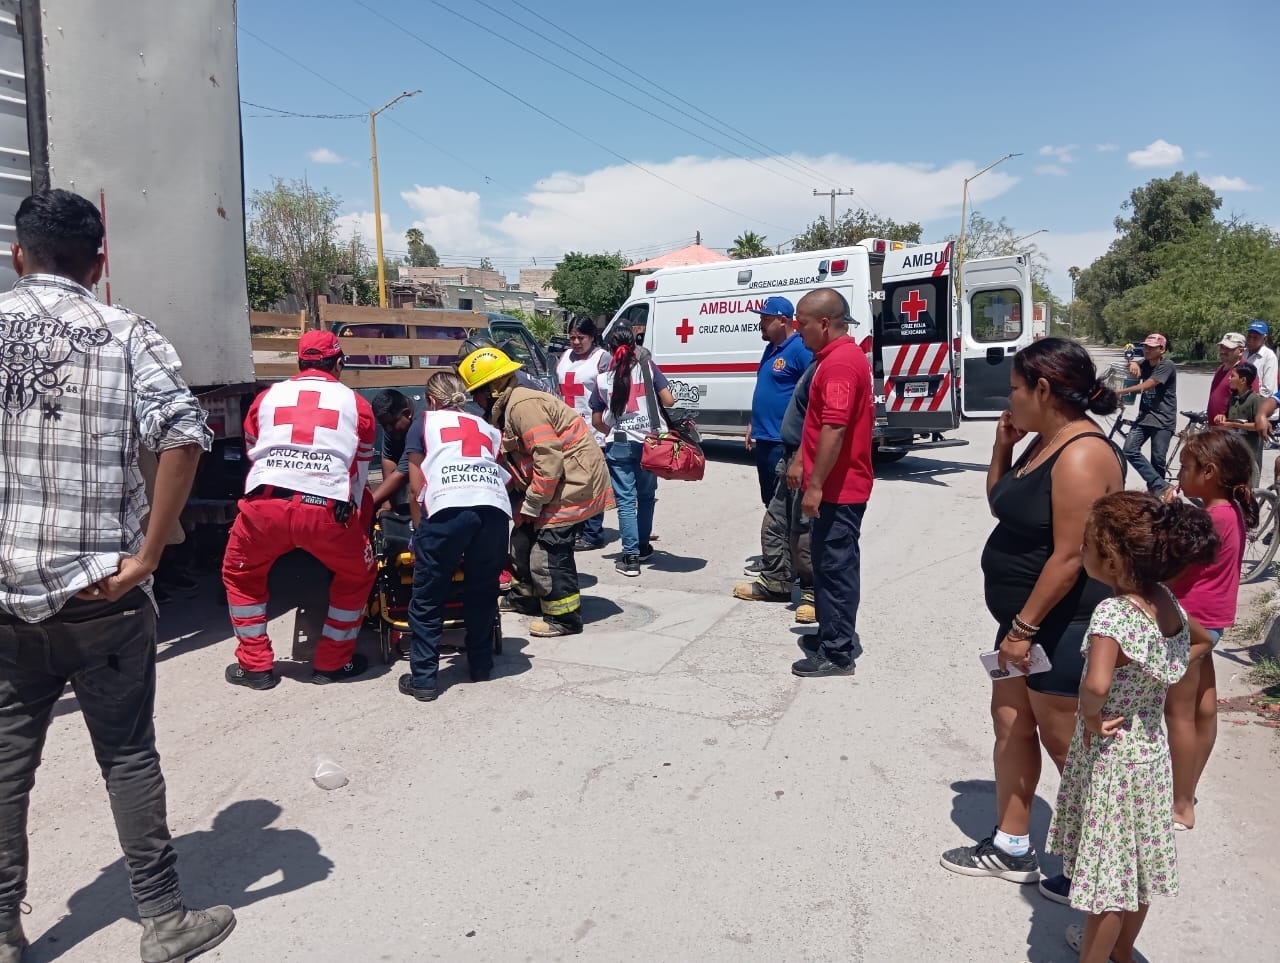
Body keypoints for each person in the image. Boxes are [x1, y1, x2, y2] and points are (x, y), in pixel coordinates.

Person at [0, 189, 235, 961]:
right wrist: (149, 555)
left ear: (17, 255)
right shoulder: (126, 332)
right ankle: (163, 920)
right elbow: (183, 437)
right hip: (103, 589)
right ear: (100, 264)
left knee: (5, 764)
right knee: (127, 754)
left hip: (6, 593)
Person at [940, 338, 1124, 899]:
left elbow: (1070, 557)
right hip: (1023, 624)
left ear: (1043, 390)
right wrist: (1002, 447)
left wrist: (1023, 630)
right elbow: (1002, 501)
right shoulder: (1044, 441)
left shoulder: (1083, 454)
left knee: (1069, 748)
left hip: (1061, 628)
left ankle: (1101, 868)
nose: (1009, 400)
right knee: (1010, 723)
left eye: (1016, 389)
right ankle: (1012, 845)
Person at [1048, 491, 1216, 963]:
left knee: (1108, 882)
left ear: (1113, 559)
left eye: (1088, 544)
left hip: (1112, 760)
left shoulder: (1113, 614)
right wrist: (1164, 669)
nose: (1082, 550)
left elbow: (1097, 684)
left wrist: (1091, 715)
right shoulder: (1165, 601)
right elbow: (1202, 641)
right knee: (1137, 869)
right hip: (1150, 754)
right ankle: (1122, 952)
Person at [221, 330, 377, 689]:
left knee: (241, 576)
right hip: (326, 511)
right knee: (357, 574)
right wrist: (354, 519)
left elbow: (253, 452)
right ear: (339, 363)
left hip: (265, 507)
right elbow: (358, 472)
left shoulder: (266, 398)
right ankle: (333, 663)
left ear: (299, 363)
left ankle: (255, 667)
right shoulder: (357, 404)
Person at [460, 345, 612, 637]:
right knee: (522, 538)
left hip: (571, 483)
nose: (474, 399)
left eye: (477, 392)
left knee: (549, 550)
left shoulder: (523, 407)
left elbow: (549, 462)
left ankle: (564, 618)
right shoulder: (506, 408)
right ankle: (525, 598)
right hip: (551, 484)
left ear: (493, 388)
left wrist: (531, 504)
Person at [400, 372, 511, 702]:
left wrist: (419, 533)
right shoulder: (486, 426)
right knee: (482, 591)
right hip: (492, 510)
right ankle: (480, 665)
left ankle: (424, 680)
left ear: (431, 400)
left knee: (428, 597)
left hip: (447, 510)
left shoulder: (423, 423)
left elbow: (416, 488)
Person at [1166, 429, 1255, 830]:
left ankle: (1182, 803)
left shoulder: (1209, 518)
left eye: (1186, 467)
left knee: (1179, 715)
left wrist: (1168, 520)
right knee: (1203, 708)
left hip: (1190, 622)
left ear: (1210, 472)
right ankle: (1186, 787)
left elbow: (1175, 568)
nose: (1180, 474)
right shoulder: (1229, 510)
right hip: (1213, 622)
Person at [787, 289, 873, 677]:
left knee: (836, 567)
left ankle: (837, 653)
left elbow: (834, 428)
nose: (797, 330)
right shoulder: (833, 359)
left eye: (802, 323)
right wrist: (802, 464)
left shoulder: (840, 365)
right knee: (826, 563)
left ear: (824, 323)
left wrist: (816, 485)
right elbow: (818, 423)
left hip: (840, 488)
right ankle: (831, 633)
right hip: (834, 486)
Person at [732, 358, 817, 625]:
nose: (802, 336)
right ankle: (776, 581)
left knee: (804, 532)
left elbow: (824, 423)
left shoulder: (821, 362)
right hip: (789, 455)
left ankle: (813, 593)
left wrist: (801, 460)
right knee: (775, 523)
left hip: (806, 459)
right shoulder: (813, 360)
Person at [591, 327, 676, 577]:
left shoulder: (603, 379)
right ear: (634, 347)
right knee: (646, 497)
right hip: (650, 443)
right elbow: (669, 400)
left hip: (619, 444)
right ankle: (643, 546)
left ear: (610, 349)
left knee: (626, 502)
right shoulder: (647, 368)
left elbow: (597, 421)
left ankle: (630, 558)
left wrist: (613, 428)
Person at [745, 296, 812, 506]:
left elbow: (812, 392)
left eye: (766, 319)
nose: (761, 324)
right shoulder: (770, 349)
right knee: (769, 499)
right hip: (764, 438)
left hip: (782, 441)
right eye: (761, 319)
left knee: (783, 503)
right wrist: (753, 422)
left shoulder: (800, 349)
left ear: (783, 320)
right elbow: (768, 389)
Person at [556, 316, 609, 550]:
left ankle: (592, 533)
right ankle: (574, 527)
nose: (576, 342)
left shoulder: (602, 359)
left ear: (592, 337)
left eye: (581, 337)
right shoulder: (564, 357)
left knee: (592, 483)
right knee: (571, 483)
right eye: (572, 337)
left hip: (593, 430)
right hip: (566, 430)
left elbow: (610, 392)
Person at [1115, 332, 1176, 495]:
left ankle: (1158, 495)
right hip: (1144, 417)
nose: (1147, 350)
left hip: (1163, 419)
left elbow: (1148, 384)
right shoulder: (1145, 363)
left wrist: (1121, 392)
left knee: (1158, 460)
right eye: (1145, 347)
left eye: (1151, 347)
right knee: (1129, 449)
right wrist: (1133, 363)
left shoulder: (1167, 365)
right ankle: (1162, 486)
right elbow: (1130, 368)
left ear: (1162, 349)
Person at [1214, 360, 1264, 486]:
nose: (1229, 379)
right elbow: (1228, 417)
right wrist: (1222, 417)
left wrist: (1234, 425)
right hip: (1234, 448)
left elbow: (1258, 426)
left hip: (1248, 450)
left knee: (1247, 483)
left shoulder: (1255, 400)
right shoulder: (1233, 397)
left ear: (1243, 380)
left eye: (1232, 376)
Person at [369, 388, 415, 512]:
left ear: (407, 413)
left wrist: (370, 504)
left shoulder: (420, 423)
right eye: (384, 425)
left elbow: (403, 473)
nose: (388, 429)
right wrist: (387, 503)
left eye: (392, 423)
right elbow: (389, 459)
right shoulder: (392, 425)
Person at [1206, 331, 1247, 424]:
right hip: (1214, 427)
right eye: (1222, 347)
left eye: (1228, 348)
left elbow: (1249, 403)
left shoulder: (1244, 371)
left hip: (1230, 429)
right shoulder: (1221, 368)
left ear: (1240, 351)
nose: (1223, 351)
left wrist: (1230, 420)